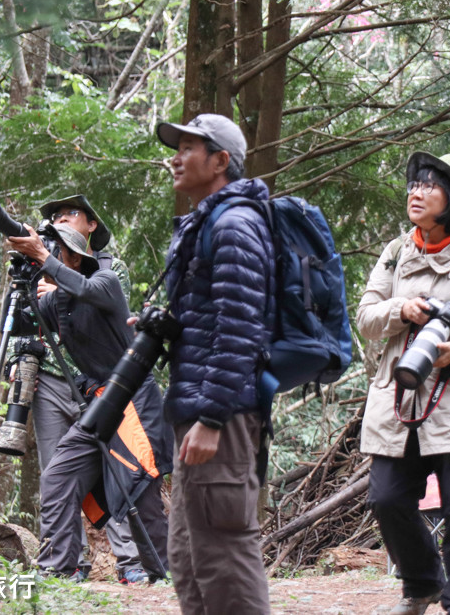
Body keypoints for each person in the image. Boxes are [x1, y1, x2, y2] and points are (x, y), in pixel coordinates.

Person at [356, 152, 450, 615]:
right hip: (397, 399)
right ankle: (422, 583)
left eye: (429, 186)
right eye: (412, 186)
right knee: (386, 499)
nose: (415, 194)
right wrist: (401, 309)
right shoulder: (396, 251)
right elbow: (364, 317)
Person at [5, 223, 173, 584]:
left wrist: (42, 257)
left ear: (77, 256)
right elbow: (20, 322)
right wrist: (21, 279)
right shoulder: (56, 301)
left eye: (59, 249)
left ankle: (170, 576)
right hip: (98, 402)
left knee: (139, 489)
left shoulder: (105, 281)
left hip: (133, 399)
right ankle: (57, 570)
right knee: (58, 476)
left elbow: (82, 287)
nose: (53, 252)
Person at [156, 113, 274, 614]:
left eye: (189, 148)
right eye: (175, 147)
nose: (175, 158)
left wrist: (210, 418)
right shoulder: (208, 223)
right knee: (188, 559)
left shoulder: (235, 224)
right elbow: (212, 319)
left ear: (221, 161)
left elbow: (241, 330)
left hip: (219, 420)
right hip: (199, 413)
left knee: (225, 558)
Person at [28, 195, 148, 584]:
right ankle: (68, 562)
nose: (60, 219)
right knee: (58, 471)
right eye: (55, 217)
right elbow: (22, 324)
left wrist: (58, 284)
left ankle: (130, 561)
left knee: (116, 466)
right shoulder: (39, 270)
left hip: (98, 384)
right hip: (48, 378)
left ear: (92, 224)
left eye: (69, 214)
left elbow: (102, 302)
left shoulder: (111, 270)